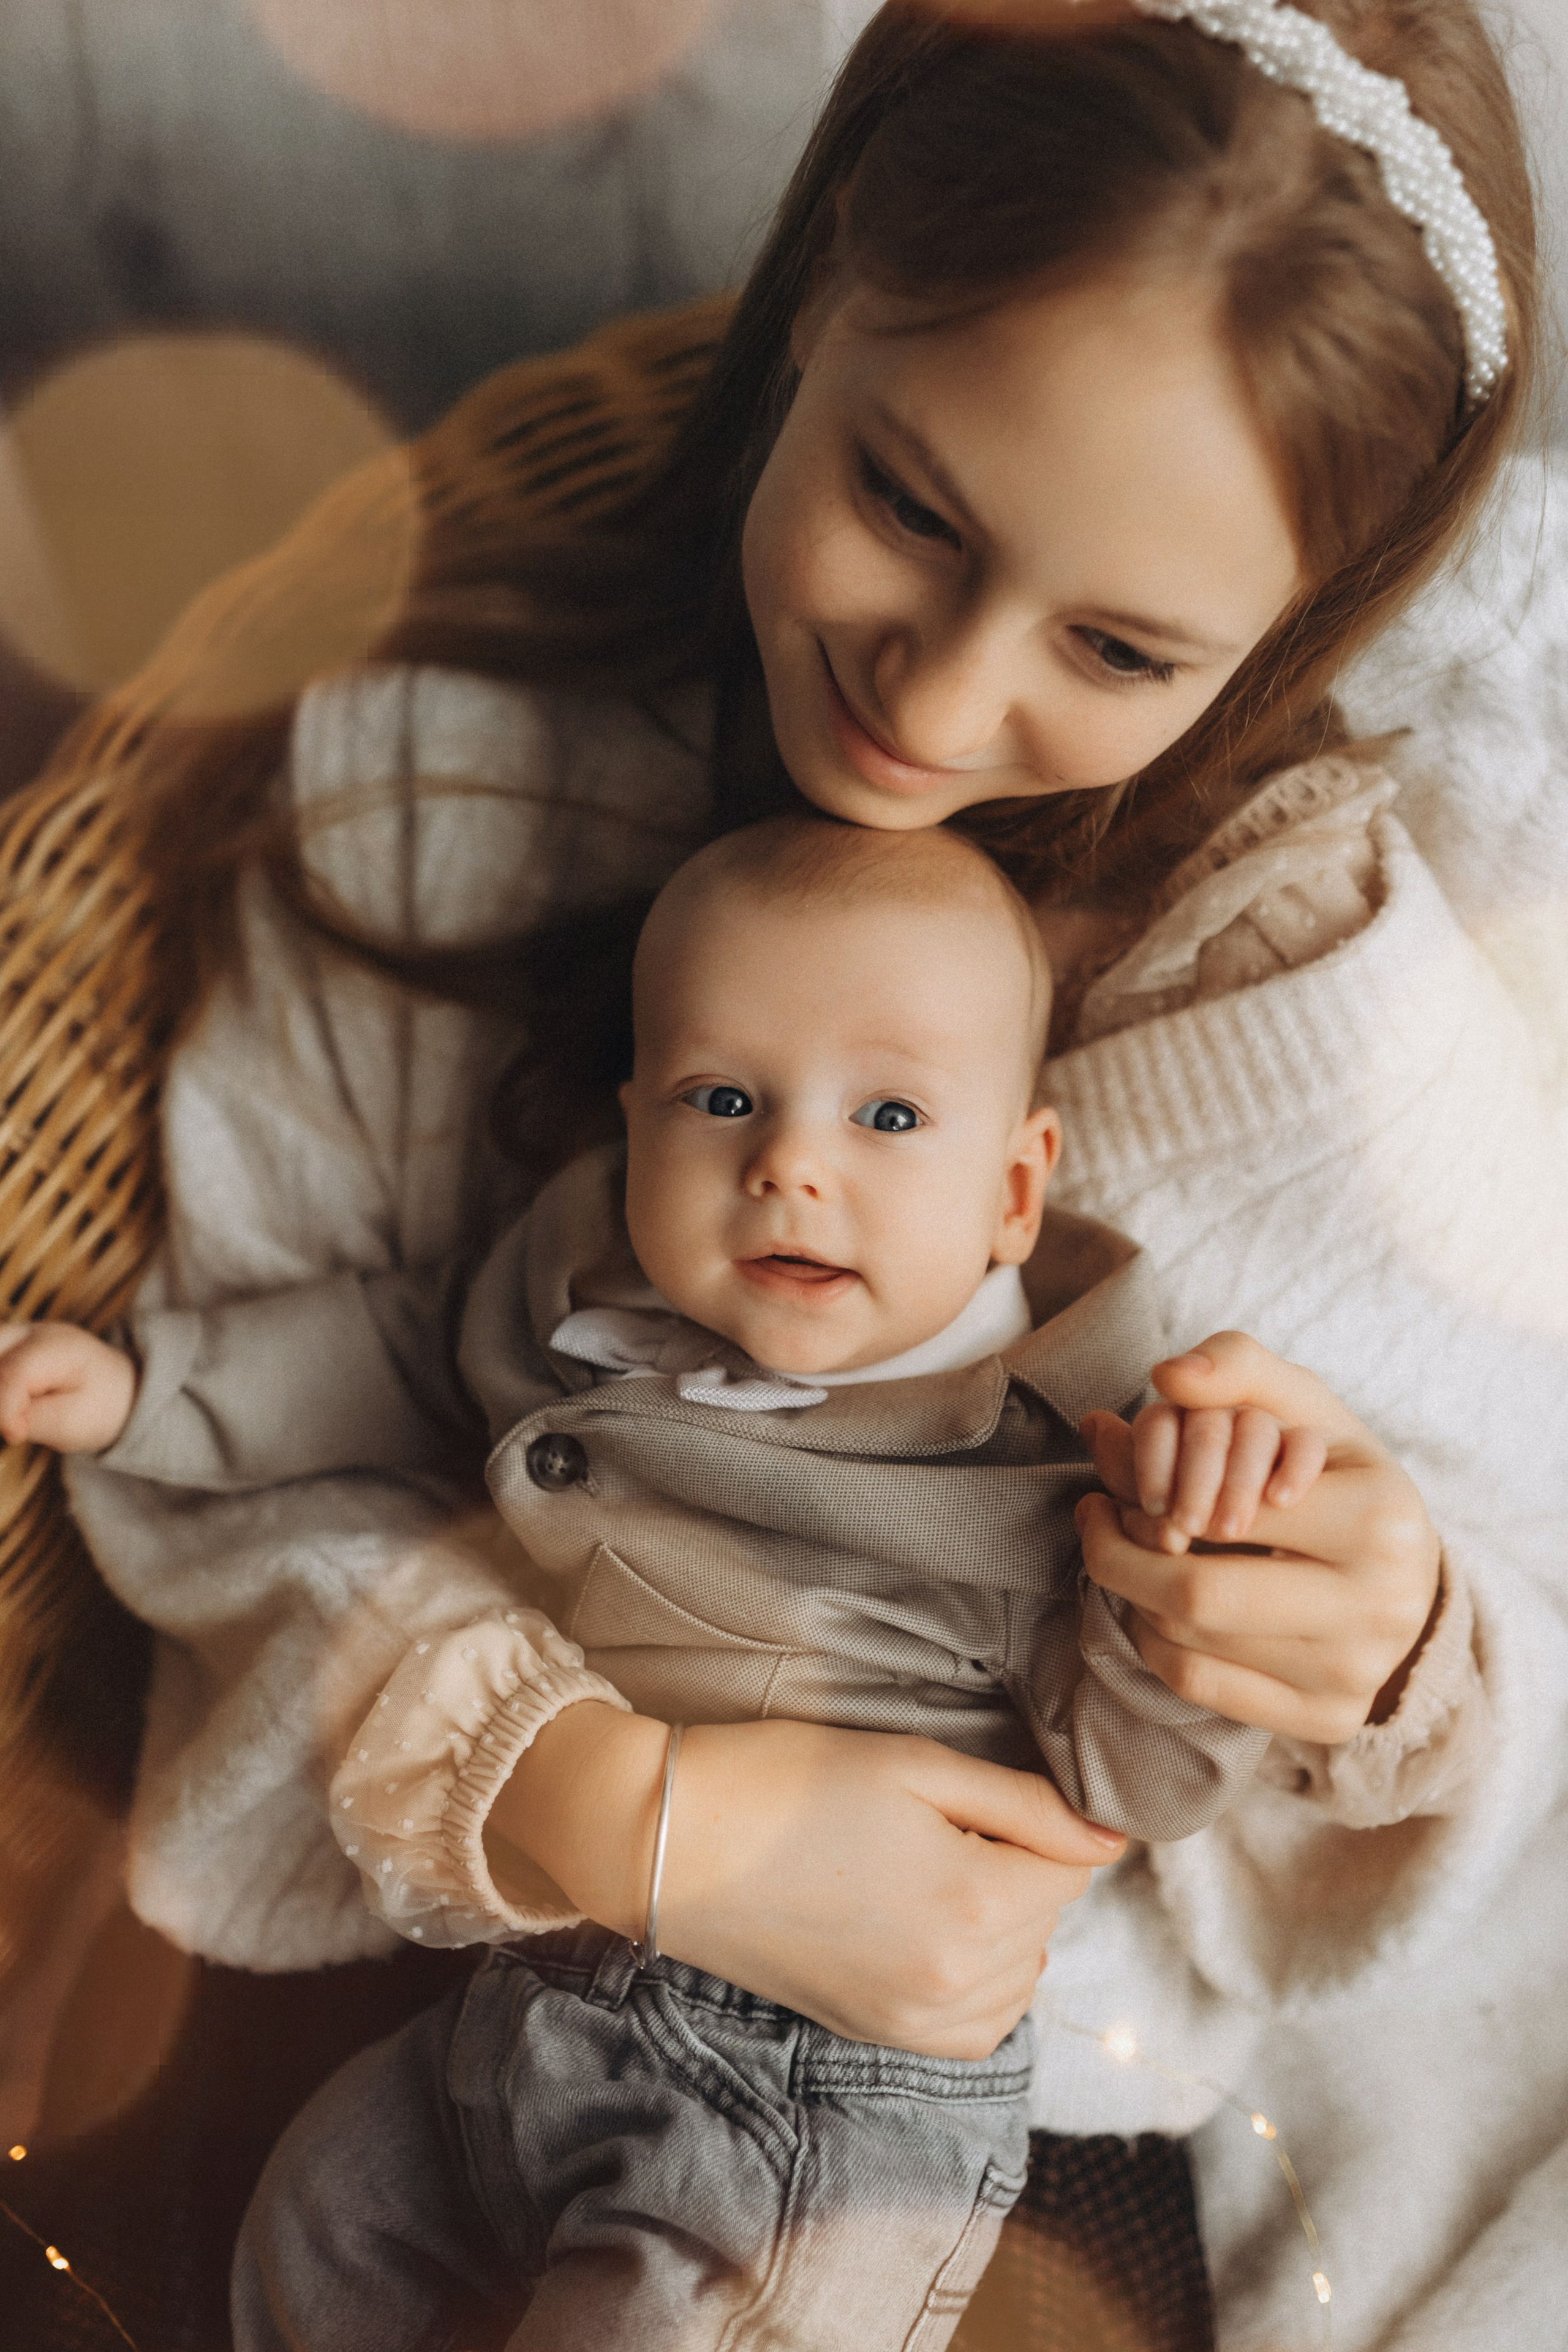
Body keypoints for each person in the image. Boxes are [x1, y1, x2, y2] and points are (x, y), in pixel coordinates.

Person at [23, 1, 1568, 2344]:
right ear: (826, 268)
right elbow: (307, 1437)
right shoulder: (444, 792)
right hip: (503, 1947)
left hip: (1068, 2079)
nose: (931, 707)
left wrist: (1394, 1655)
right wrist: (620, 1800)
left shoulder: (1320, 996)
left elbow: (1508, 1560)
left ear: (1292, 632)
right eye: (910, 510)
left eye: (1117, 646)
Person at [2, 813, 1340, 2345]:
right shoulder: (579, 1294)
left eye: (889, 1115)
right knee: (323, 2222)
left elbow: (1141, 1780)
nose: (789, 1166)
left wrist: (1178, 1574)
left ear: (1014, 1190)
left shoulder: (1057, 1451)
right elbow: (392, 1352)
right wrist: (151, 1390)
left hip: (819, 2094)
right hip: (521, 1998)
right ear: (635, 1124)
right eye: (721, 1099)